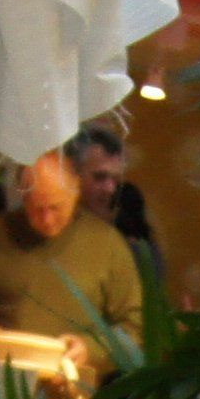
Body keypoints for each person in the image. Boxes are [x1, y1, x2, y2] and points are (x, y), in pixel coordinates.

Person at [0, 150, 147, 389]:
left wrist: (90, 349)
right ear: (23, 196)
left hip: (69, 388)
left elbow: (136, 330)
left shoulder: (107, 245)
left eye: (56, 207)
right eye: (37, 209)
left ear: (76, 191)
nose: (47, 219)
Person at [74, 118, 169, 305]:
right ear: (72, 173)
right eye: (99, 177)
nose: (110, 189)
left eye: (116, 180)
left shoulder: (130, 251)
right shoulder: (43, 226)